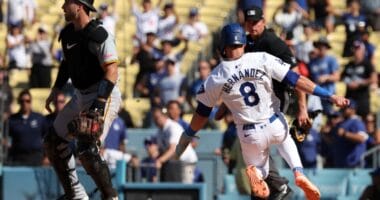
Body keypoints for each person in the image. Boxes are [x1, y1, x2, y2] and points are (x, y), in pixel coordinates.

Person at [175, 23, 350, 199]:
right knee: (285, 139)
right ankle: (298, 172)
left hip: (249, 132)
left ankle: (258, 174)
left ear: (222, 46)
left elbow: (202, 113)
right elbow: (296, 80)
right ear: (243, 43)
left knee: (259, 169)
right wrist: (329, 96)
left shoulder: (216, 76)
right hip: (274, 123)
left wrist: (188, 135)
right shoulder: (261, 58)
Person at [43, 0, 122, 199]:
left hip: (103, 94)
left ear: (79, 6)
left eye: (67, 3)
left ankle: (110, 196)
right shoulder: (68, 33)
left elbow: (112, 71)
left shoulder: (98, 34)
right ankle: (77, 195)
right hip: (80, 94)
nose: (62, 7)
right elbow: (67, 62)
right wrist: (56, 88)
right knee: (53, 142)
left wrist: (99, 103)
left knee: (87, 148)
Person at [243, 5, 309, 199]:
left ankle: (279, 184)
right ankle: (269, 185)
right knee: (251, 143)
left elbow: (296, 75)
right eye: (249, 23)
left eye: (256, 22)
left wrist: (302, 108)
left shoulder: (273, 43)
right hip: (256, 102)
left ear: (263, 22)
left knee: (260, 139)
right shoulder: (247, 42)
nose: (253, 26)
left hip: (277, 99)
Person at [152, 107, 197, 183]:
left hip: (186, 162)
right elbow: (161, 151)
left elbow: (173, 149)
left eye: (157, 118)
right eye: (154, 119)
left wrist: (160, 160)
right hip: (175, 164)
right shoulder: (160, 131)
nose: (156, 121)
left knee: (186, 188)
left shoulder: (173, 127)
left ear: (164, 116)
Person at [6, 89, 48, 166]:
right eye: (22, 101)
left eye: (27, 101)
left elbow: (47, 138)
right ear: (19, 102)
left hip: (36, 157)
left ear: (31, 102)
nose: (25, 103)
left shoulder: (39, 118)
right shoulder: (12, 120)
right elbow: (5, 138)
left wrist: (46, 156)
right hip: (18, 158)